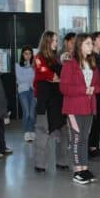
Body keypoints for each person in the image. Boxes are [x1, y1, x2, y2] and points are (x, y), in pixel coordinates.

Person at [60, 34, 100, 184]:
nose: (91, 46)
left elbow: (99, 85)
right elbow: (64, 88)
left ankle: (84, 168)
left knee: (85, 138)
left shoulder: (92, 64)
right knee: (77, 139)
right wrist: (83, 90)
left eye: (91, 44)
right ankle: (77, 170)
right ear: (79, 46)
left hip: (89, 107)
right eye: (88, 44)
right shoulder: (69, 64)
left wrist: (93, 89)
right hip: (74, 108)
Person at [33, 31, 68, 172]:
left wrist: (58, 76)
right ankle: (40, 164)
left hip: (59, 101)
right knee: (43, 133)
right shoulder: (39, 57)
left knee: (63, 133)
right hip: (45, 102)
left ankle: (62, 161)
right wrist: (56, 77)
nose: (56, 43)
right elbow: (49, 75)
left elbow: (62, 76)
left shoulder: (57, 58)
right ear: (47, 41)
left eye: (56, 40)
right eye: (54, 40)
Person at [88, 31, 100, 158]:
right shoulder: (91, 57)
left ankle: (93, 146)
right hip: (94, 92)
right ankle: (91, 147)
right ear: (94, 41)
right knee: (96, 120)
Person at [16, 46, 37, 142]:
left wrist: (30, 70)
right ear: (22, 55)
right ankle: (26, 132)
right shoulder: (17, 65)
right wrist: (30, 75)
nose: (28, 55)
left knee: (32, 114)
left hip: (33, 90)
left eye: (30, 53)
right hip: (23, 91)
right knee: (27, 113)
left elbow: (36, 78)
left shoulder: (35, 65)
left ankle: (32, 131)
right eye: (26, 53)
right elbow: (20, 79)